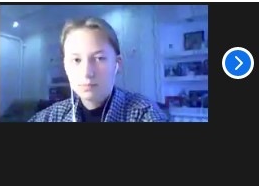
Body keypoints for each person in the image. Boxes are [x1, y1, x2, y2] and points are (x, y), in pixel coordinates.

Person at [30, 17, 166, 122]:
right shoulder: (51, 117)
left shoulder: (143, 114)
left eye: (99, 58)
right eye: (76, 60)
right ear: (66, 66)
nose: (87, 73)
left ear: (117, 63)